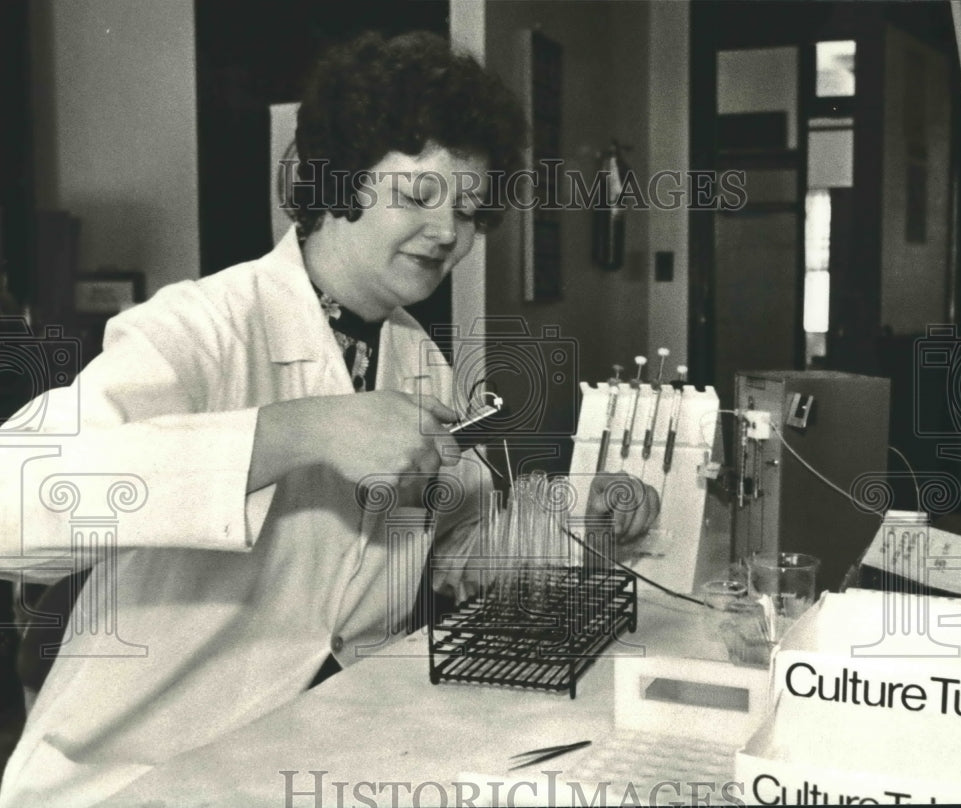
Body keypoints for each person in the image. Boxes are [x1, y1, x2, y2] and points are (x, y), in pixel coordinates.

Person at [0, 31, 658, 806]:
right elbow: (16, 500)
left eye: (472, 211)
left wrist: (577, 513)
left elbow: (453, 545)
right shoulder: (204, 325)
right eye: (417, 195)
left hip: (318, 751)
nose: (449, 233)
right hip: (141, 774)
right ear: (338, 179)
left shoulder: (417, 358)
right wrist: (299, 429)